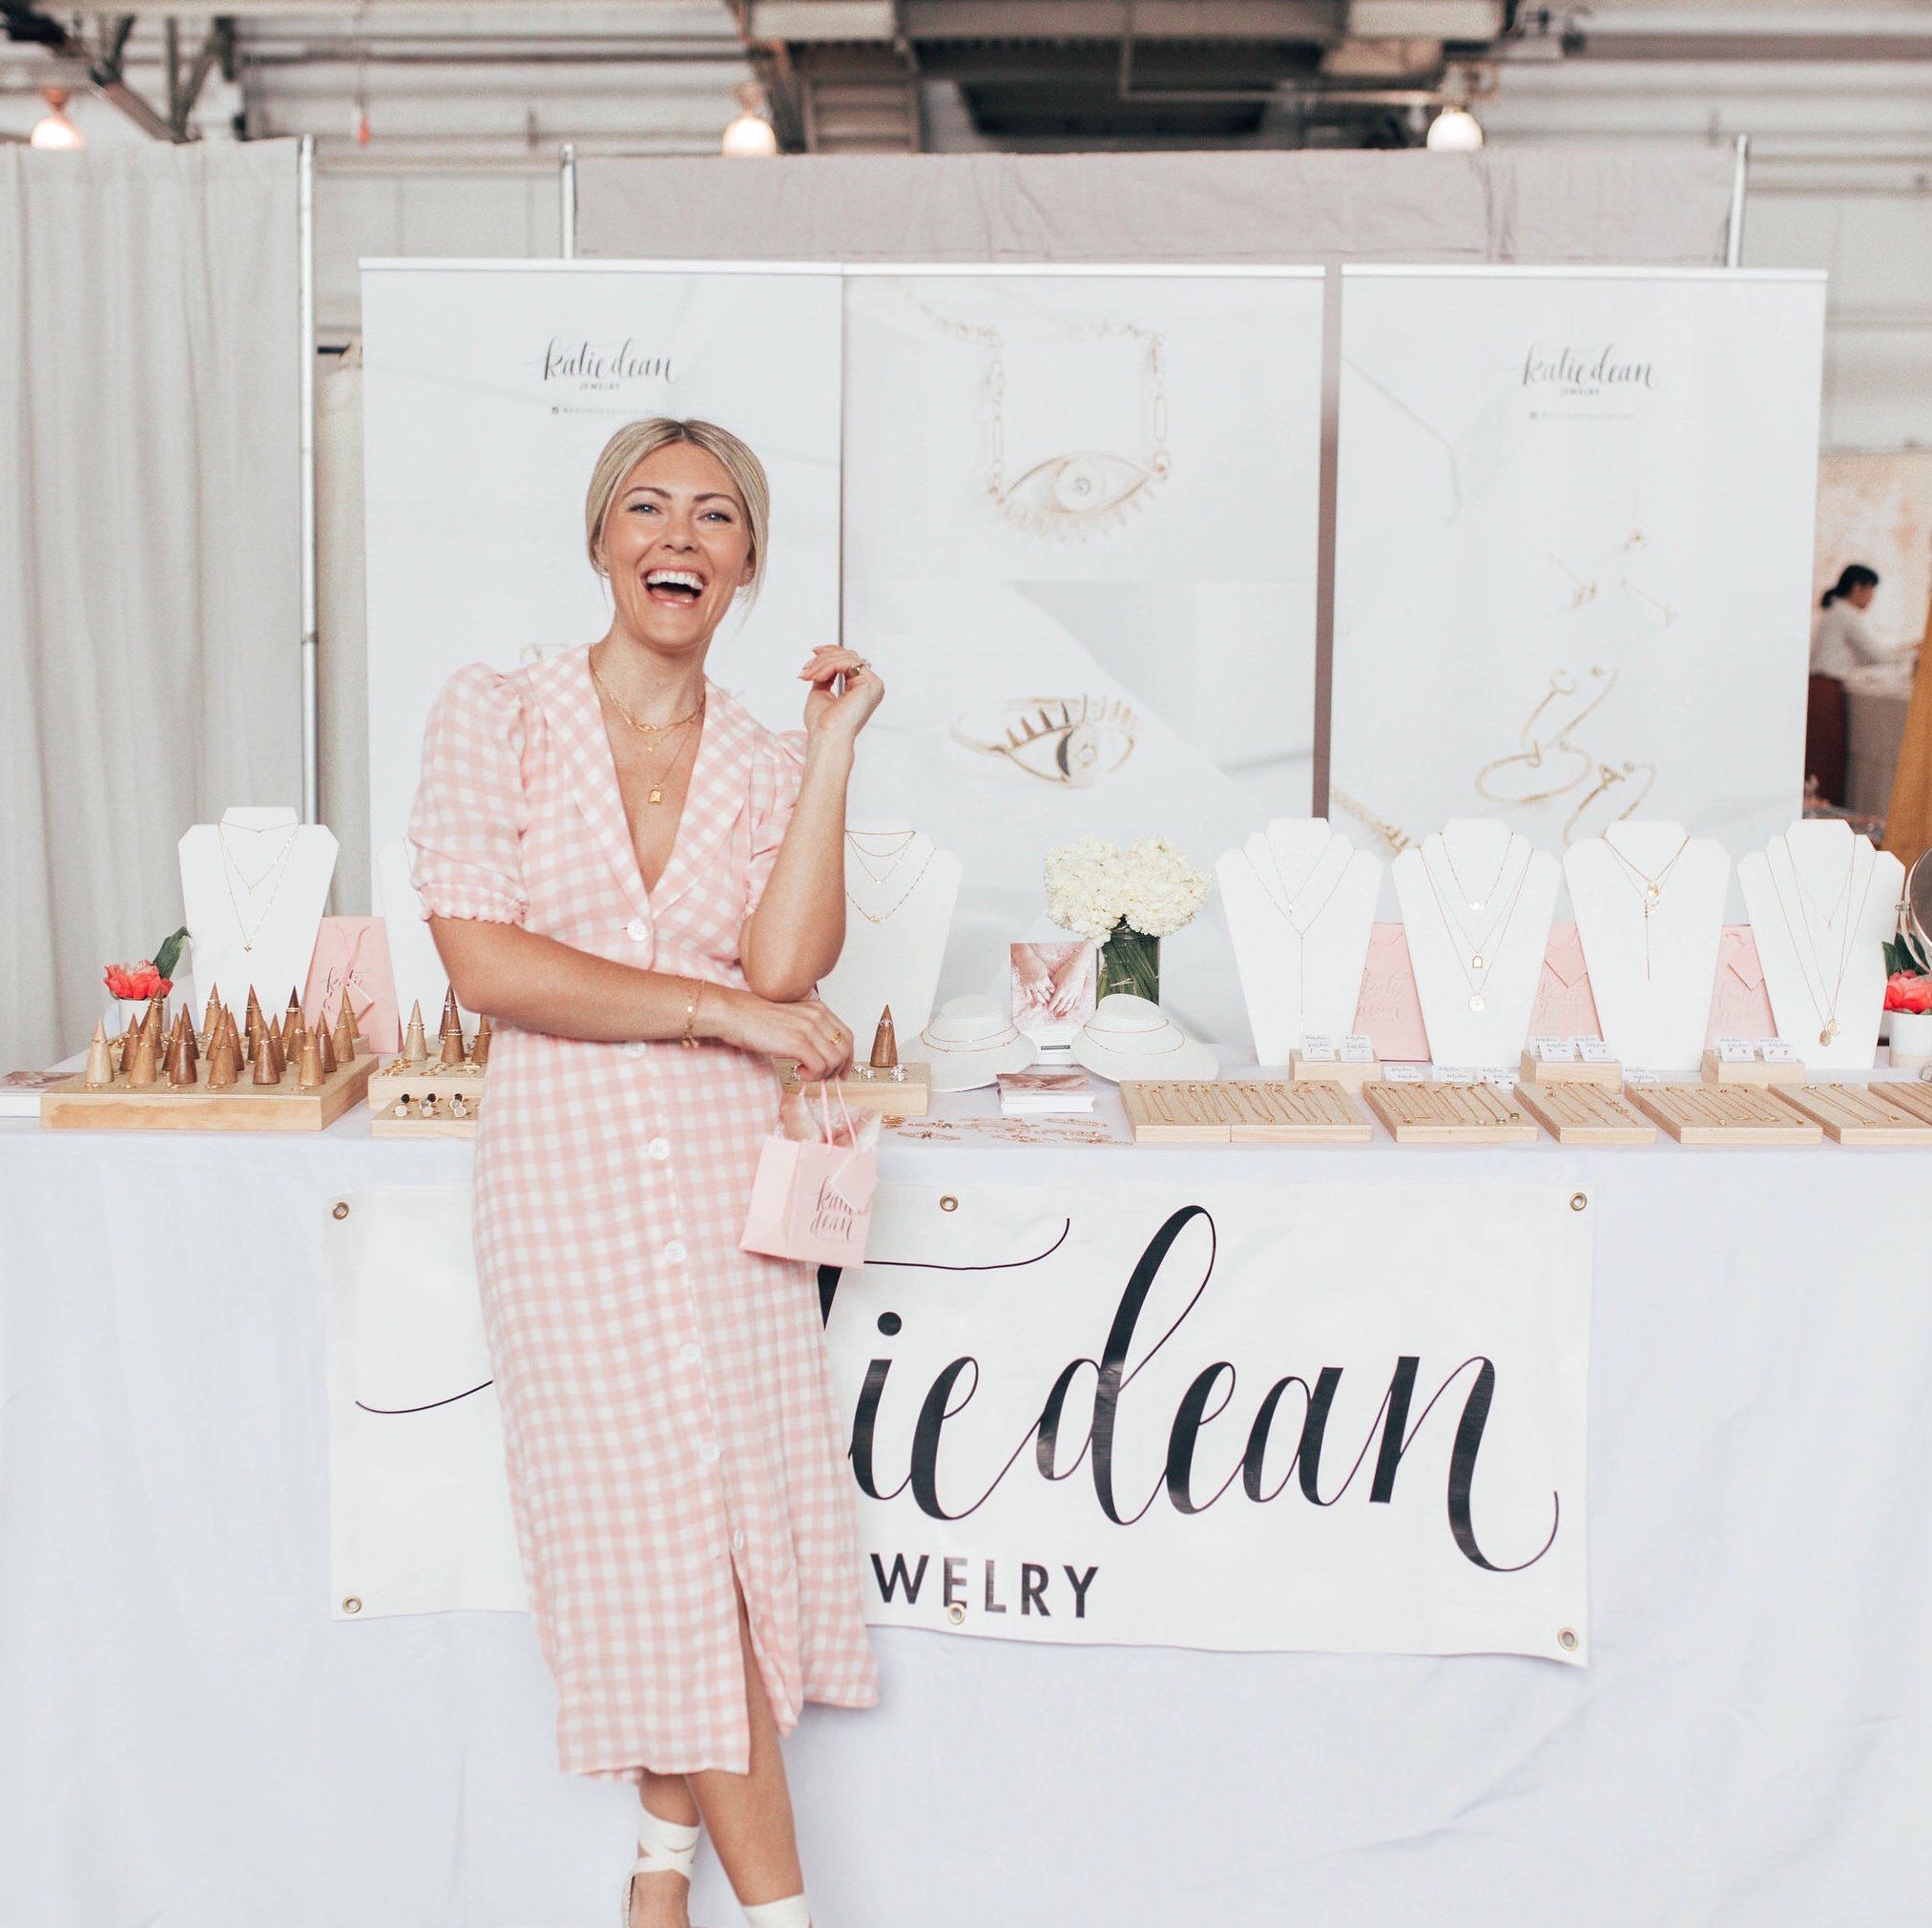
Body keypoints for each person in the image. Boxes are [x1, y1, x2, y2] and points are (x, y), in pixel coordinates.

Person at [405, 416, 883, 1928]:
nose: (680, 536)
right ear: (603, 539)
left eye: (718, 516)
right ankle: (781, 1914)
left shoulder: (753, 754)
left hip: (728, 1197)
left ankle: (660, 1877)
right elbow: (485, 962)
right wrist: (716, 1011)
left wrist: (826, 759)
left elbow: (793, 960)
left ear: (749, 562)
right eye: (649, 508)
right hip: (565, 1190)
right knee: (650, 1533)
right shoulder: (500, 715)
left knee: (729, 1541)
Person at [1806, 563, 1882, 806]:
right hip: (1825, 689)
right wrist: (1914, 654)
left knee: (1822, 752)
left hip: (1822, 688)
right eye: (1870, 591)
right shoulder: (1845, 615)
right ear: (1857, 587)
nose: (1871, 598)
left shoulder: (1835, 612)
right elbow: (1875, 655)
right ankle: (1824, 806)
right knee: (1826, 754)